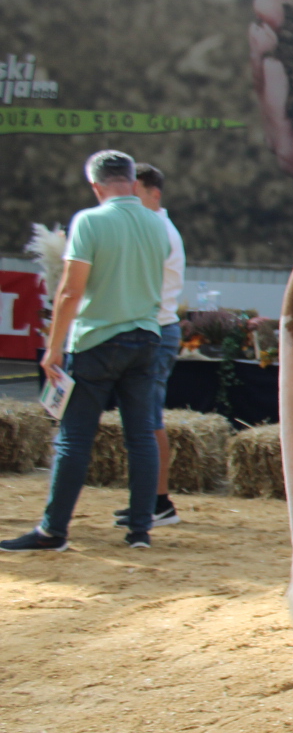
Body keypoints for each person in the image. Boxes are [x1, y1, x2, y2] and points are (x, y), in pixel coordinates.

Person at [2, 150, 169, 552]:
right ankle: (139, 530)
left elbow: (71, 290)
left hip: (96, 339)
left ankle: (53, 530)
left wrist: (53, 347)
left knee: (73, 439)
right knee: (141, 436)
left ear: (96, 186)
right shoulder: (157, 225)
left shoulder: (90, 221)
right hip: (146, 336)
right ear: (132, 181)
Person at [113, 163, 185, 529]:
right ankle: (149, 500)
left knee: (150, 420)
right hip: (153, 330)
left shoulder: (159, 232)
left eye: (135, 192)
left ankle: (159, 502)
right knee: (143, 420)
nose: (128, 199)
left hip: (156, 331)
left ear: (154, 194)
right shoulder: (152, 228)